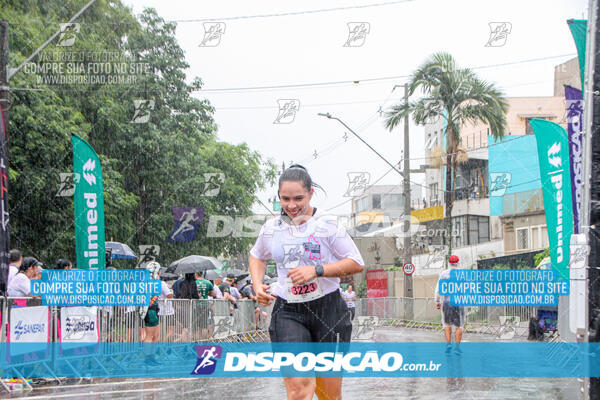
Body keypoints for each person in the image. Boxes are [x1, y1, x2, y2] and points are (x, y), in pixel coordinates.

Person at [249, 164, 364, 400]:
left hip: (329, 309)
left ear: (311, 194)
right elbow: (257, 255)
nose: (291, 205)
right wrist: (257, 284)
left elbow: (356, 262)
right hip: (288, 311)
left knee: (327, 394)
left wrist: (317, 270)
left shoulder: (328, 225)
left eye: (298, 198)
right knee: (300, 389)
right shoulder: (271, 228)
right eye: (285, 199)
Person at [435, 255, 465, 353]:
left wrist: (437, 301)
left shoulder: (443, 274)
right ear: (458, 262)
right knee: (459, 326)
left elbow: (438, 290)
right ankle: (457, 347)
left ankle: (448, 344)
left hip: (447, 303)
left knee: (447, 324)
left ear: (449, 263)